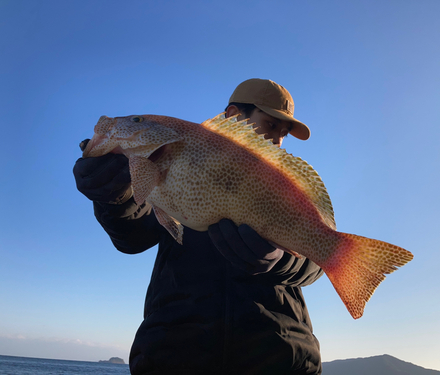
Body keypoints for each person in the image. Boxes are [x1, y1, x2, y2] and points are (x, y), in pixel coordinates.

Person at [73, 78, 324, 375]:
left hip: (280, 359)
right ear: (232, 116)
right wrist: (113, 197)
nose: (278, 140)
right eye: (270, 125)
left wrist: (279, 259)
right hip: (175, 357)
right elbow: (133, 237)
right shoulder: (178, 158)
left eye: (283, 134)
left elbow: (321, 256)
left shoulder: (288, 188)